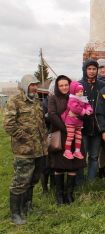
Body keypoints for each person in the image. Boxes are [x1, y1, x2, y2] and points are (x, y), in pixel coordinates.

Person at [3, 74, 47, 225]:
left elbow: (41, 124)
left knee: (33, 180)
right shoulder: (15, 101)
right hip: (24, 150)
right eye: (31, 85)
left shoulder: (37, 102)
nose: (34, 87)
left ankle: (27, 208)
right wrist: (25, 136)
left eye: (36, 84)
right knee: (20, 181)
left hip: (38, 149)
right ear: (24, 86)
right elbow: (8, 125)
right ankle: (15, 215)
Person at [48, 75, 86, 207]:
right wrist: (66, 128)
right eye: (61, 85)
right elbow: (52, 114)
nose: (64, 88)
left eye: (66, 85)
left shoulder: (76, 97)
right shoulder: (53, 98)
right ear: (57, 87)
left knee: (73, 164)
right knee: (59, 165)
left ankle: (69, 194)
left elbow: (84, 110)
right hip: (60, 134)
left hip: (75, 134)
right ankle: (60, 195)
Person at [77, 59, 105, 184]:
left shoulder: (102, 85)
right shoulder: (79, 85)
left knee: (94, 156)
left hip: (97, 127)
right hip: (83, 127)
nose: (92, 71)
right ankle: (79, 181)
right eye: (89, 69)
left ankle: (90, 181)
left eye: (94, 69)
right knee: (80, 157)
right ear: (85, 70)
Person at [61, 81, 93, 160]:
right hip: (71, 122)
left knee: (79, 137)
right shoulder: (72, 99)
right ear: (74, 92)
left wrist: (89, 110)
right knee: (70, 136)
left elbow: (88, 105)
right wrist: (84, 111)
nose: (80, 93)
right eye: (78, 92)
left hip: (78, 123)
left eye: (81, 91)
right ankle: (67, 151)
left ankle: (77, 151)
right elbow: (74, 108)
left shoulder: (83, 99)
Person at [41, 80, 56, 194]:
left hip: (56, 134)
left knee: (54, 161)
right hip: (47, 135)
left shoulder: (57, 101)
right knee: (45, 162)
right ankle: (44, 188)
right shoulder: (45, 104)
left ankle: (53, 185)